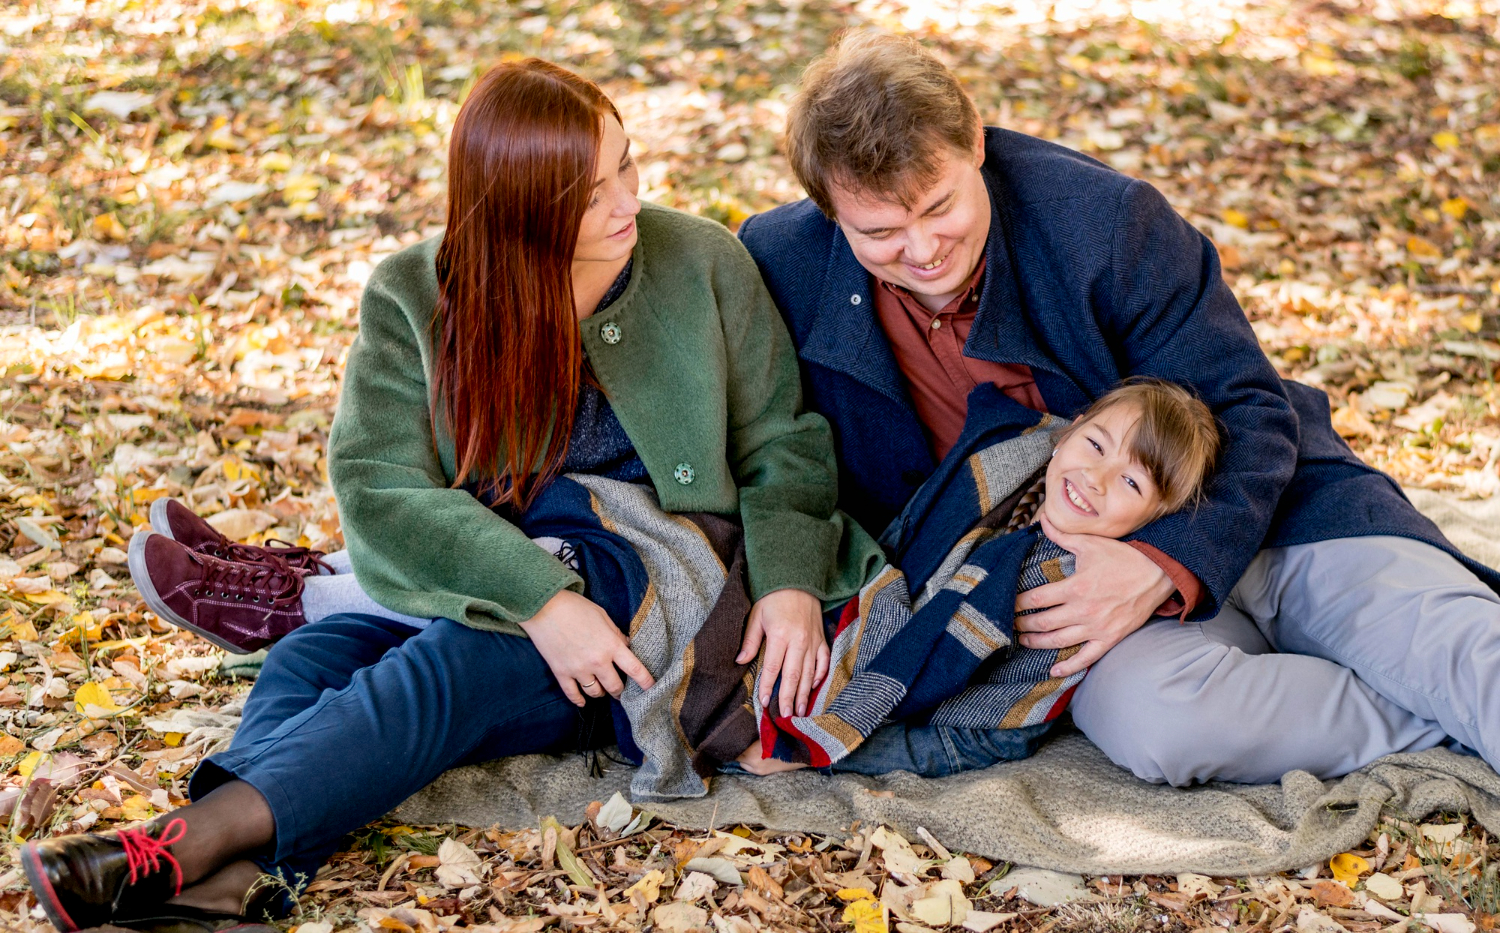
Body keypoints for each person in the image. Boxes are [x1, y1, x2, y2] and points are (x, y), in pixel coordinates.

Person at [25, 58, 879, 933]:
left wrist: (788, 581)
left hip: (665, 588)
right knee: (308, 660)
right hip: (507, 588)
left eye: (626, 163)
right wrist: (540, 598)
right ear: (514, 202)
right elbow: (380, 485)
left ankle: (176, 843)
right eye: (585, 195)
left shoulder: (702, 259)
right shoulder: (414, 293)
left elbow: (785, 442)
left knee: (453, 668)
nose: (625, 201)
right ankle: (235, 882)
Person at [737, 31, 1500, 787]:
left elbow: (1247, 406)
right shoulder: (781, 263)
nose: (923, 248)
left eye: (939, 207)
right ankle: (1429, 713)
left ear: (974, 139)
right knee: (1161, 723)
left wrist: (1156, 561)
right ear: (827, 210)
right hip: (1075, 595)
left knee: (1458, 650)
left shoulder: (1105, 221)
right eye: (879, 231)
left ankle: (1444, 685)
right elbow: (764, 441)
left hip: (1266, 514)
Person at [736, 377, 1222, 778]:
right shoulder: (1011, 461)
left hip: (964, 724)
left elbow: (995, 729)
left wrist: (817, 755)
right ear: (1069, 432)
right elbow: (907, 541)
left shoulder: (1073, 586)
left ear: (1153, 520)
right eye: (1095, 445)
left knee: (761, 721)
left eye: (1131, 482)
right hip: (884, 594)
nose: (1097, 477)